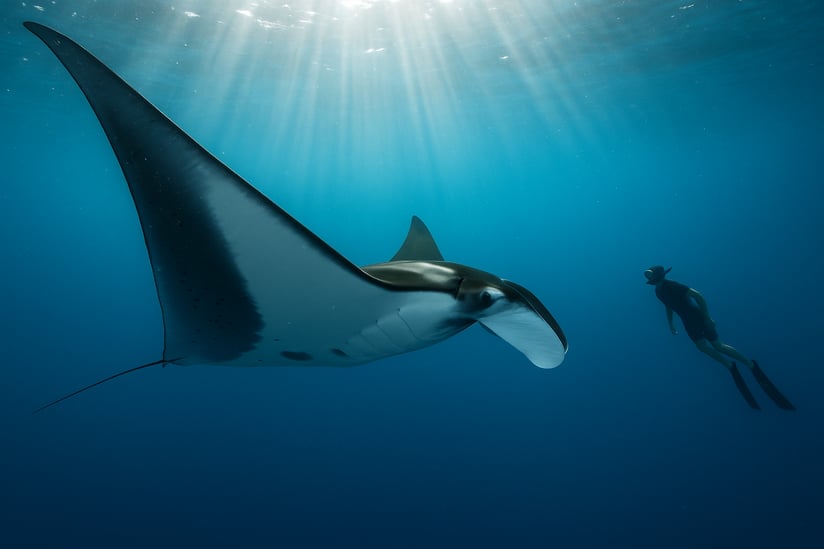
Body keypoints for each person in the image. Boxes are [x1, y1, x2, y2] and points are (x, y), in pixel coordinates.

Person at [644, 265, 794, 410]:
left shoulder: (673, 285)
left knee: (718, 346)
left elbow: (698, 296)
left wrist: (707, 317)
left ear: (660, 276)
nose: (651, 279)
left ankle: (749, 364)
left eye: (652, 276)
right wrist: (671, 324)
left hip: (697, 317)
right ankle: (729, 365)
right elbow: (668, 306)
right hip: (687, 322)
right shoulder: (658, 292)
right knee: (701, 347)